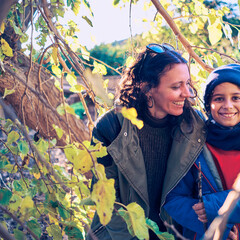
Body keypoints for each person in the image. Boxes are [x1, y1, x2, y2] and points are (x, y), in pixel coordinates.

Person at [87, 43, 206, 240]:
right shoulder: (110, 128)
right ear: (147, 88)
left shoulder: (195, 126)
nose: (187, 93)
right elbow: (106, 202)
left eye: (188, 84)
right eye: (176, 86)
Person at [163, 64, 240, 240]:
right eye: (219, 99)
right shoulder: (193, 145)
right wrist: (216, 228)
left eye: (236, 98)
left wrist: (218, 205)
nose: (228, 106)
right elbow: (173, 200)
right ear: (208, 106)